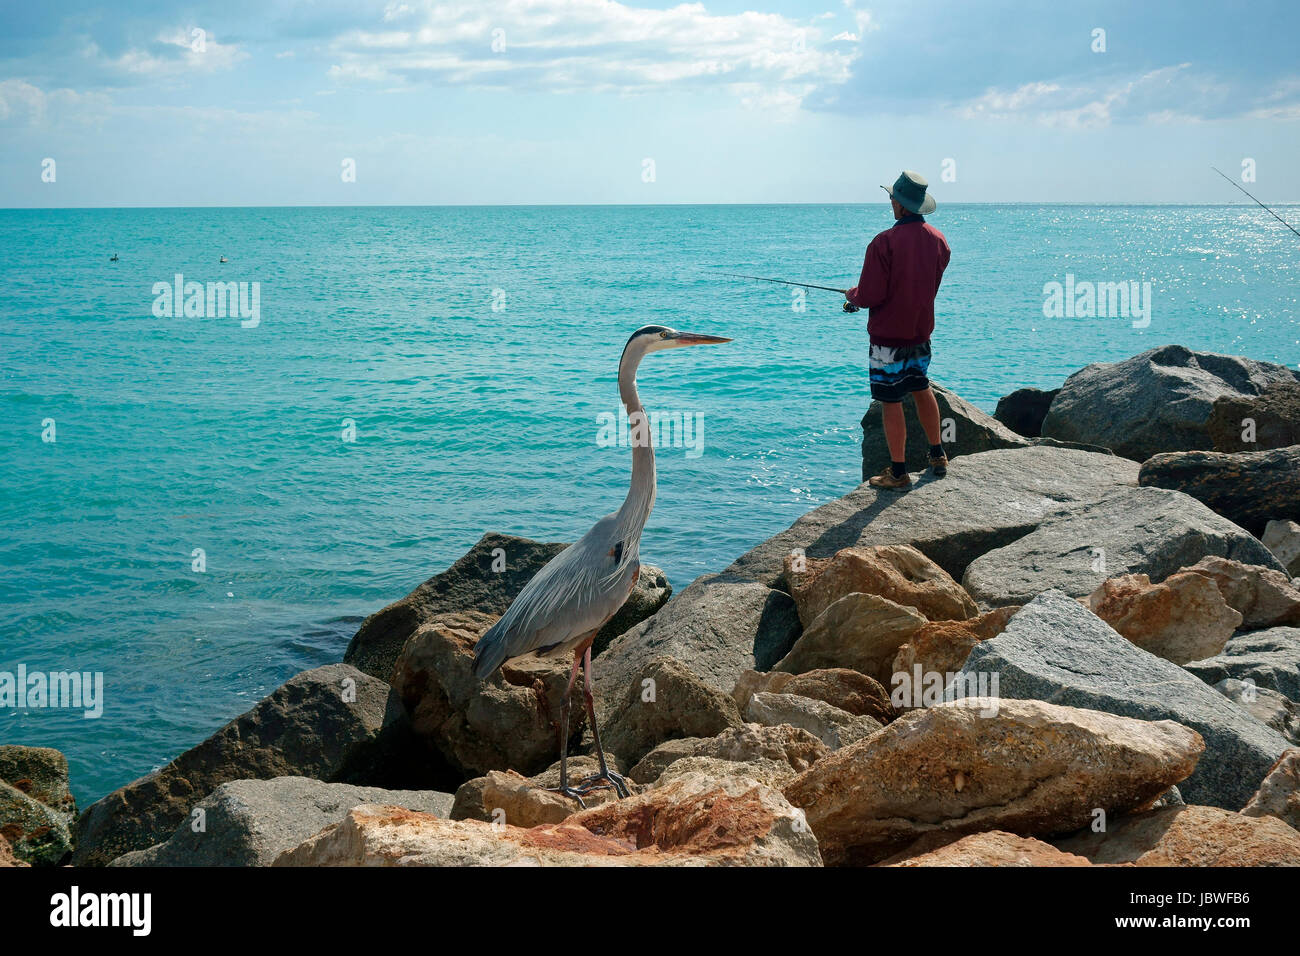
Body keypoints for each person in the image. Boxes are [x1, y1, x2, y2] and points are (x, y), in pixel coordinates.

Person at [843, 170, 951, 489]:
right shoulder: (939, 241)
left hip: (887, 339)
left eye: (892, 198)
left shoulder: (884, 242)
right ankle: (938, 455)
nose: (890, 202)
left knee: (890, 401)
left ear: (901, 205)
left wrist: (854, 297)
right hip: (920, 333)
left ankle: (899, 472)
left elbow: (872, 295)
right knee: (921, 387)